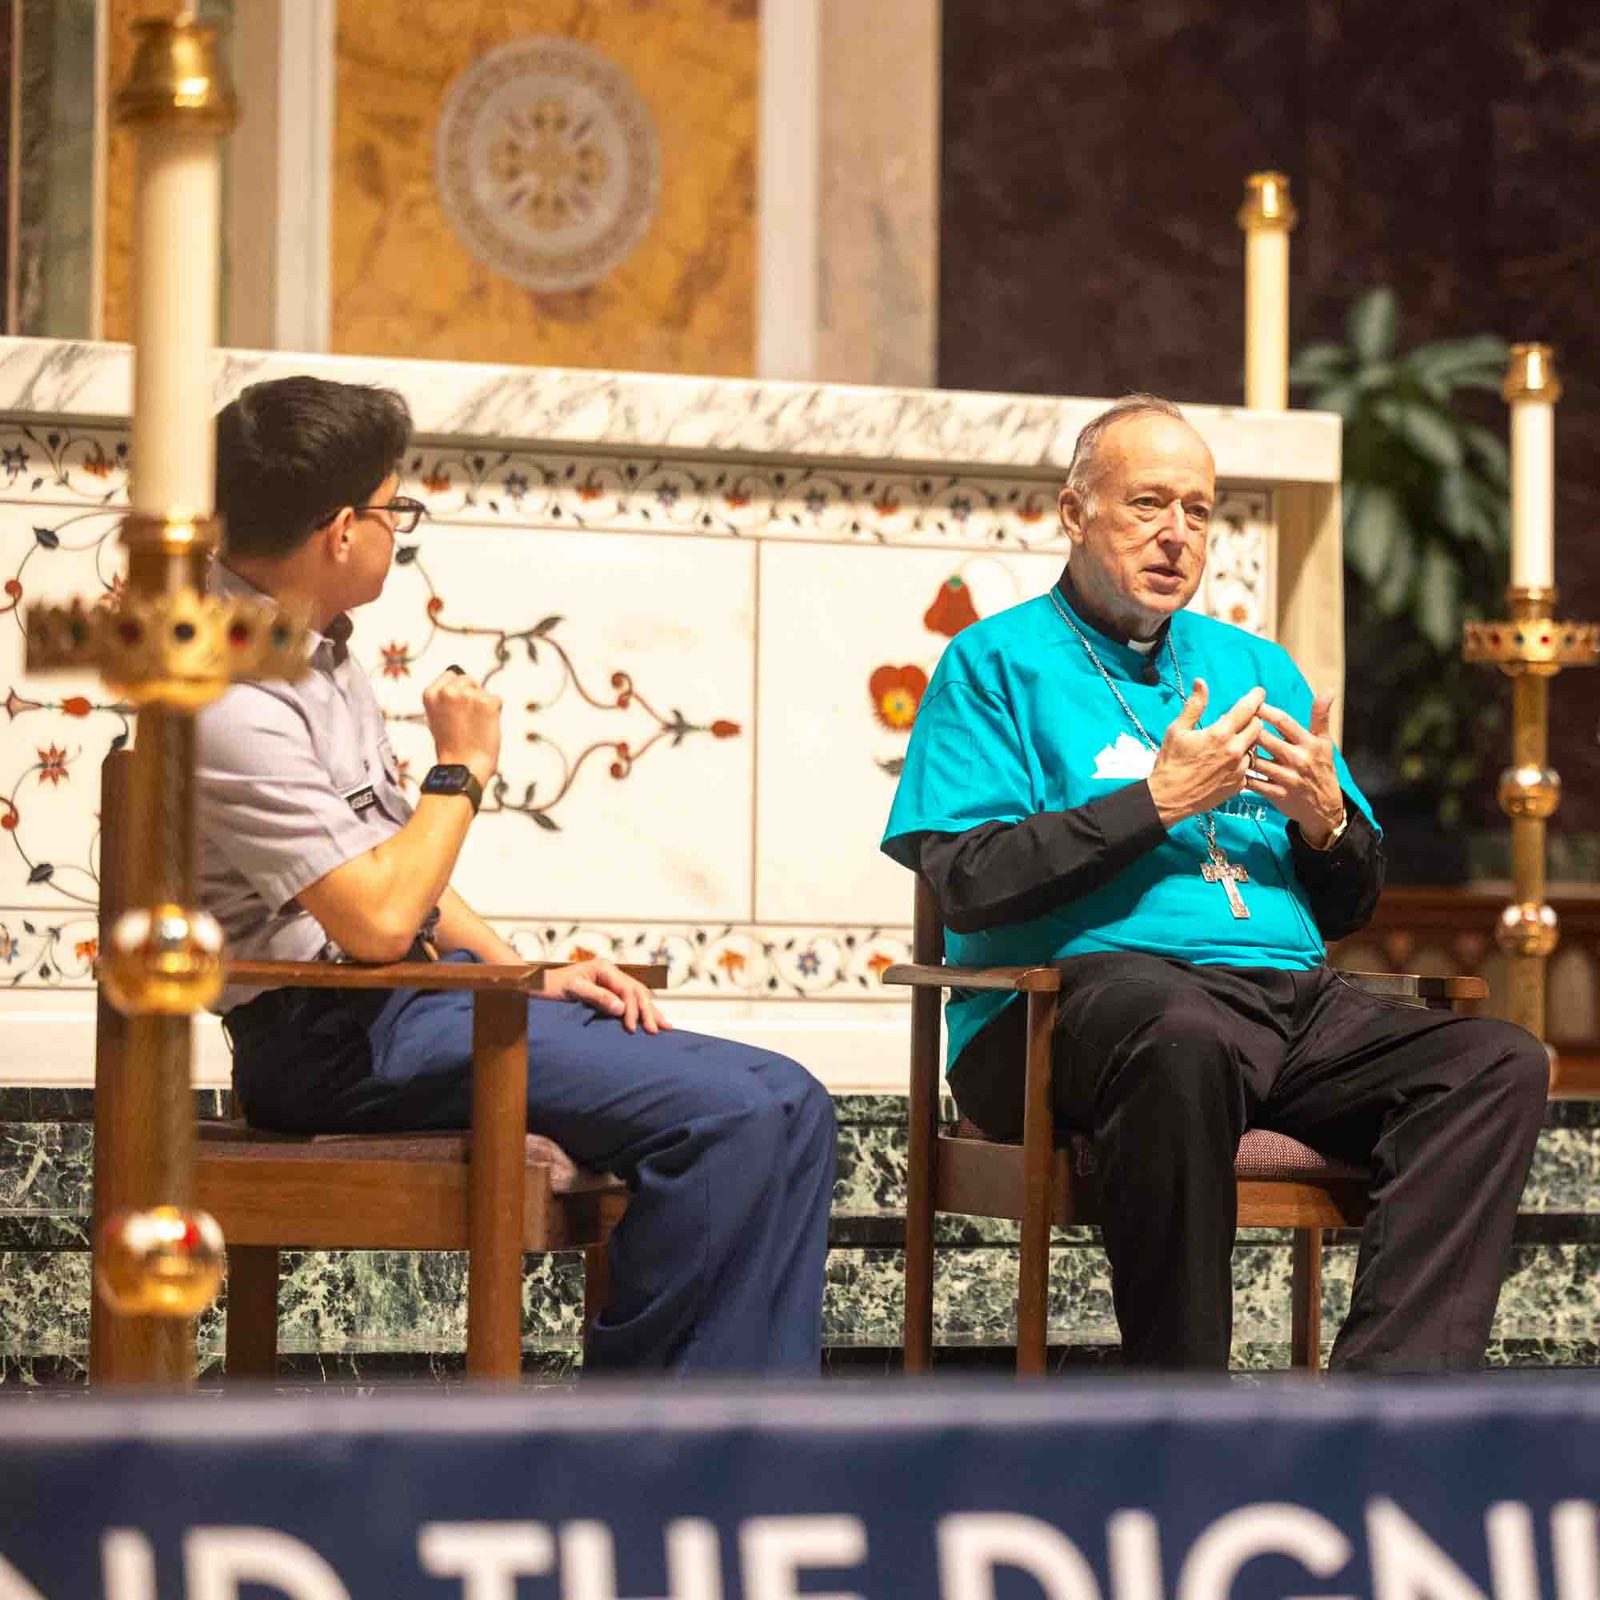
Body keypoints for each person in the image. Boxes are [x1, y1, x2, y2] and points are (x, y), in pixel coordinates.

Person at [882, 393, 1548, 1371]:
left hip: (1281, 1005)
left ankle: (1391, 1406)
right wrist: (1150, 802)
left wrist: (1327, 828)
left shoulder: (1256, 668)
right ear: (1072, 514)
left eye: (1197, 510)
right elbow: (969, 879)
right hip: (1059, 1012)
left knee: (1496, 1062)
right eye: (1148, 504)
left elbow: (1347, 904)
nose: (1176, 535)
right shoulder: (994, 664)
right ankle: (1184, 1402)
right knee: (1173, 1026)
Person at [198, 375, 836, 1375]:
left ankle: (750, 1442)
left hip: (408, 1004)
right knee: (731, 1115)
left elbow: (386, 862)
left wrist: (520, 969)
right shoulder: (227, 689)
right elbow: (372, 915)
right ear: (336, 530)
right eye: (391, 508)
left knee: (792, 1095)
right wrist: (465, 767)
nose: (397, 530)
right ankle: (647, 1446)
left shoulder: (310, 650)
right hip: (331, 1040)